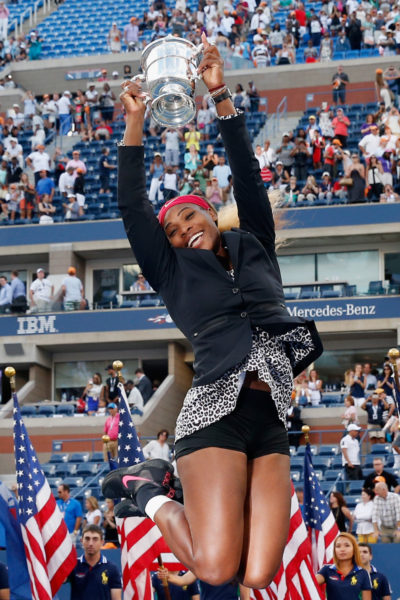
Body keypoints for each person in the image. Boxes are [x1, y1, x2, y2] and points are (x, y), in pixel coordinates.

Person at [102, 35, 323, 590]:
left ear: (210, 214)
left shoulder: (253, 243)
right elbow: (132, 207)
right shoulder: (171, 272)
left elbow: (247, 175)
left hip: (269, 414)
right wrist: (134, 124)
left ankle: (153, 491)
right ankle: (145, 490)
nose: (183, 231)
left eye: (189, 218)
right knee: (219, 569)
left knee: (260, 571)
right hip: (214, 413)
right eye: (172, 232)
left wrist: (220, 93)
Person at [69, 525, 122, 600]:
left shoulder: (112, 569)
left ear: (102, 542)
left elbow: (116, 598)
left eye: (95, 539)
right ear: (81, 541)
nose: (90, 543)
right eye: (87, 539)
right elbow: (60, 579)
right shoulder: (73, 564)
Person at [316, 533, 372, 599]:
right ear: (334, 550)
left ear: (354, 550)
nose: (342, 549)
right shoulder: (326, 570)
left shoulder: (363, 573)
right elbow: (309, 583)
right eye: (338, 546)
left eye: (347, 545)